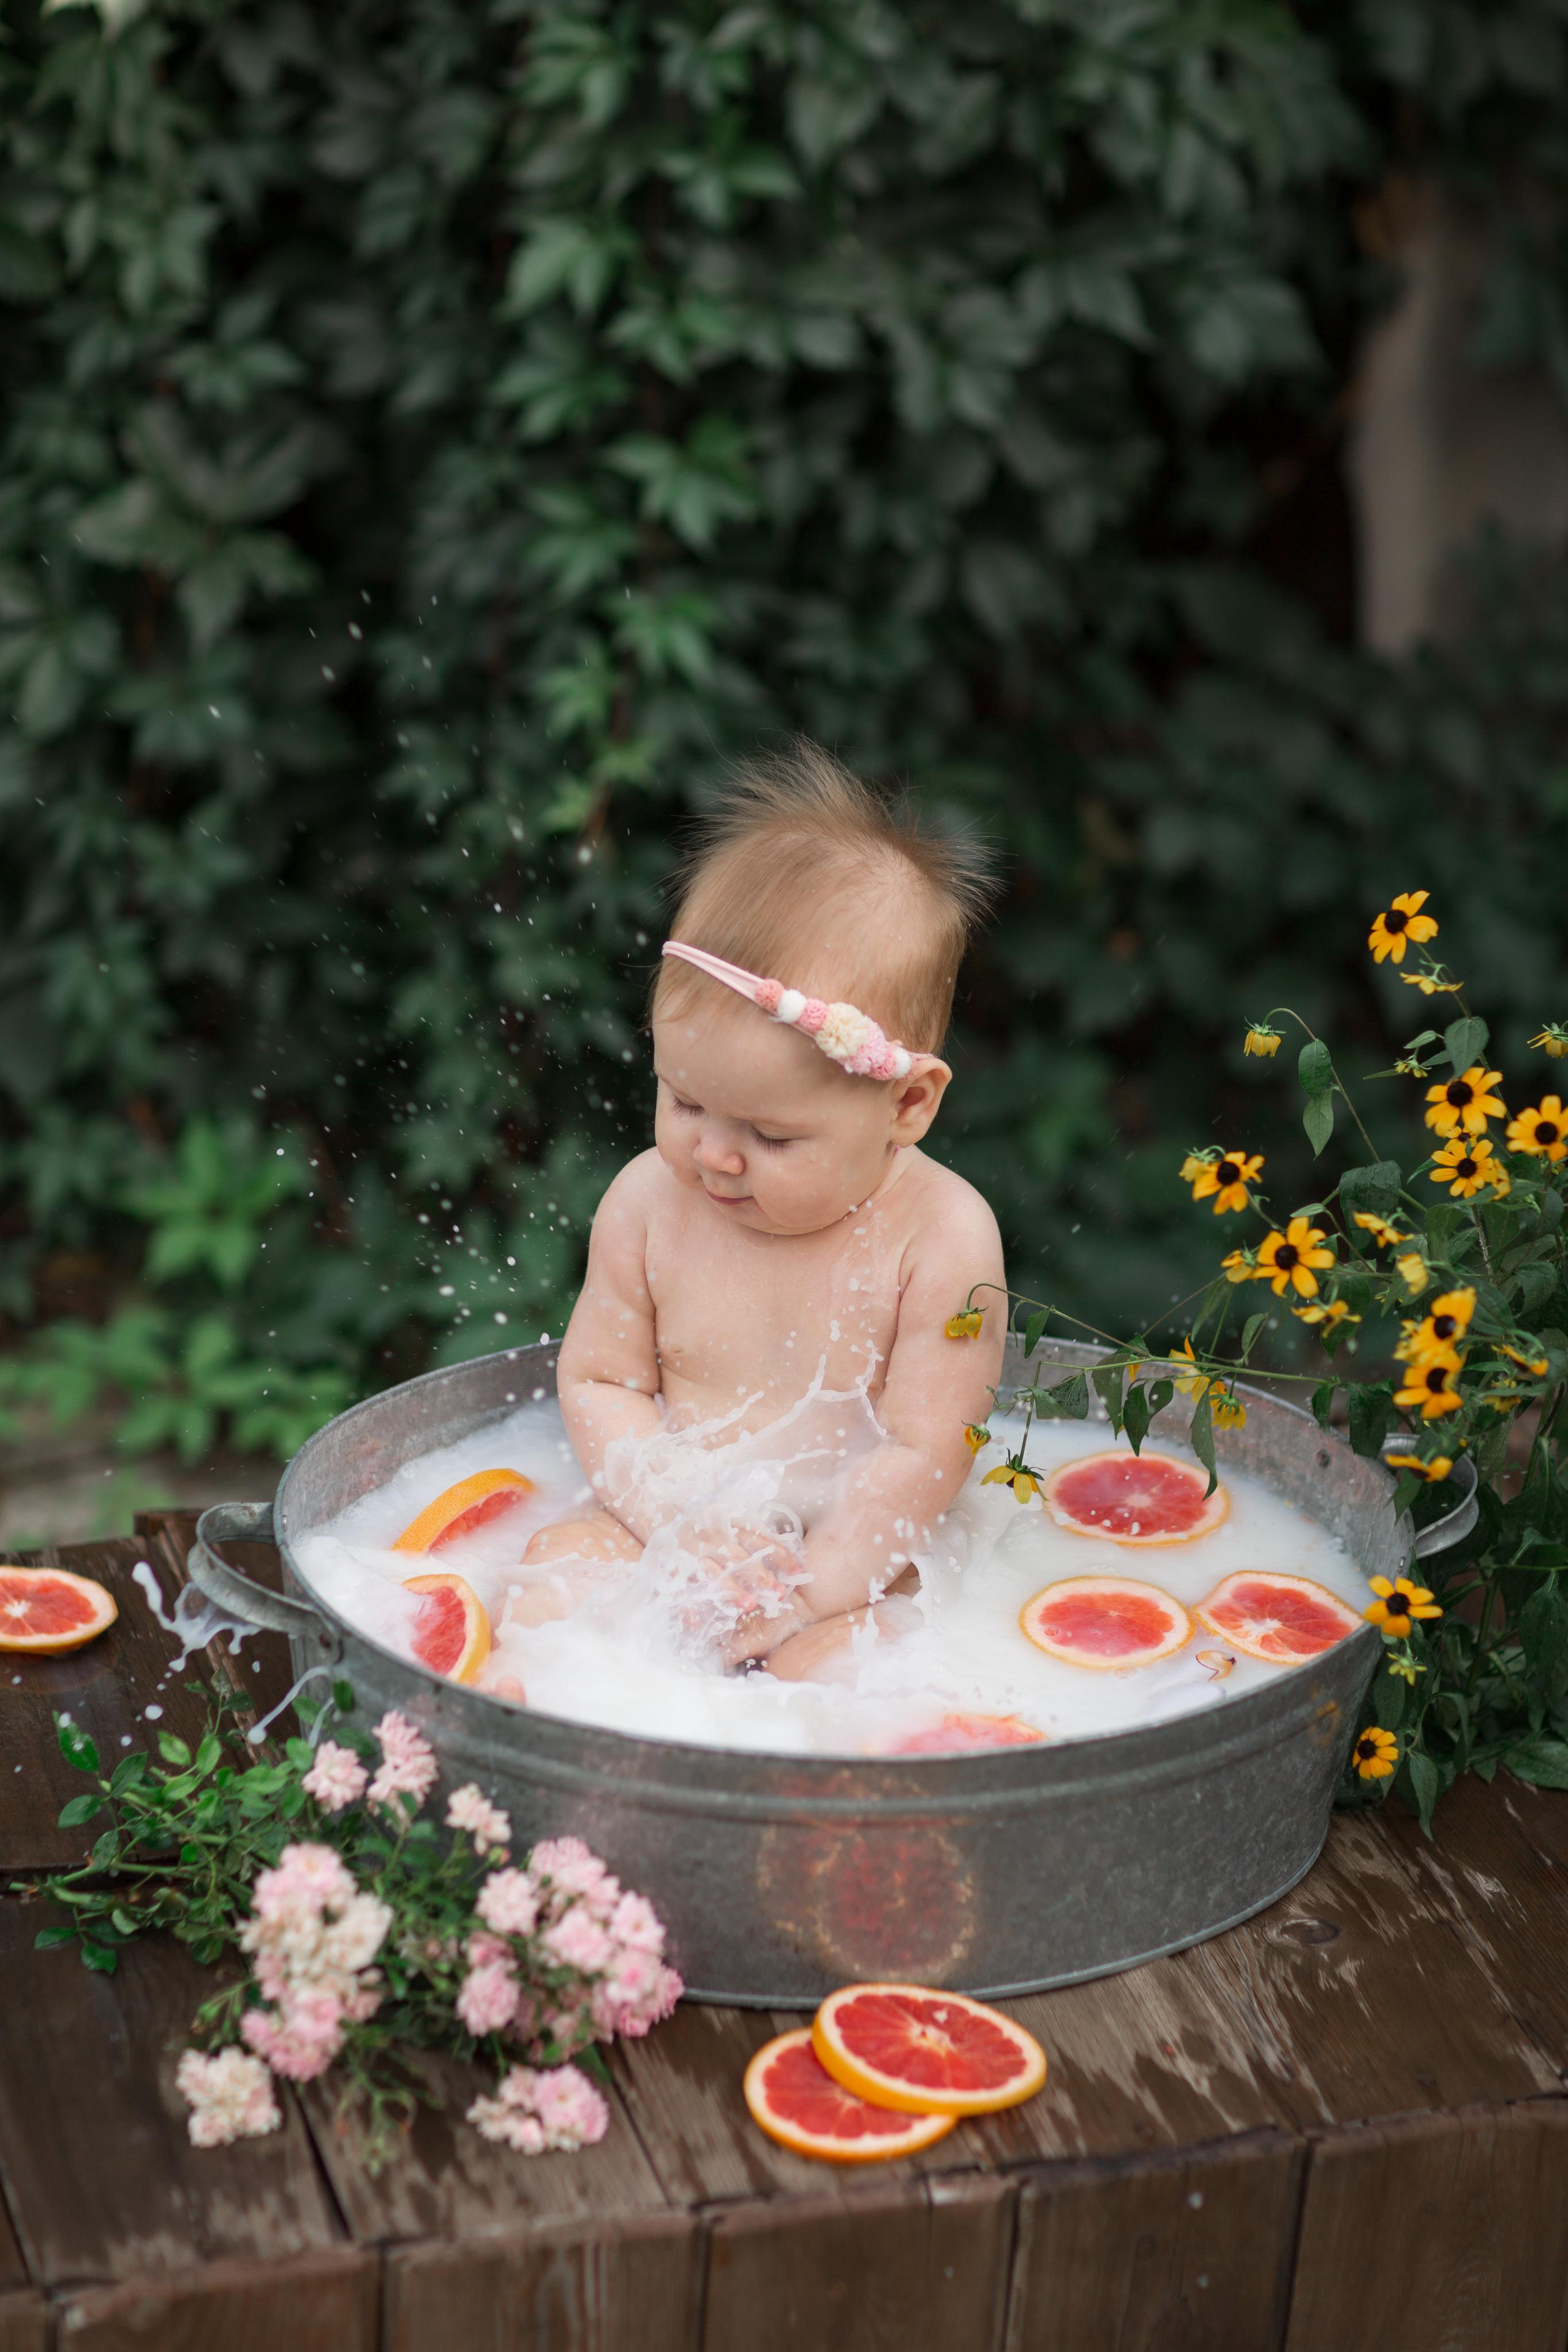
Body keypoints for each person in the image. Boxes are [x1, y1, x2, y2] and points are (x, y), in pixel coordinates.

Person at [506, 740, 1004, 1680]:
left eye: (772, 1137)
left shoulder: (942, 1238)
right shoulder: (651, 1202)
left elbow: (925, 1451)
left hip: (868, 1558)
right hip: (674, 1519)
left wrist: (812, 1590)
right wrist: (681, 1526)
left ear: (907, 1106)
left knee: (864, 1663)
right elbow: (605, 1386)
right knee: (557, 1576)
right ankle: (524, 1739)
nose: (714, 1154)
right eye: (684, 1102)